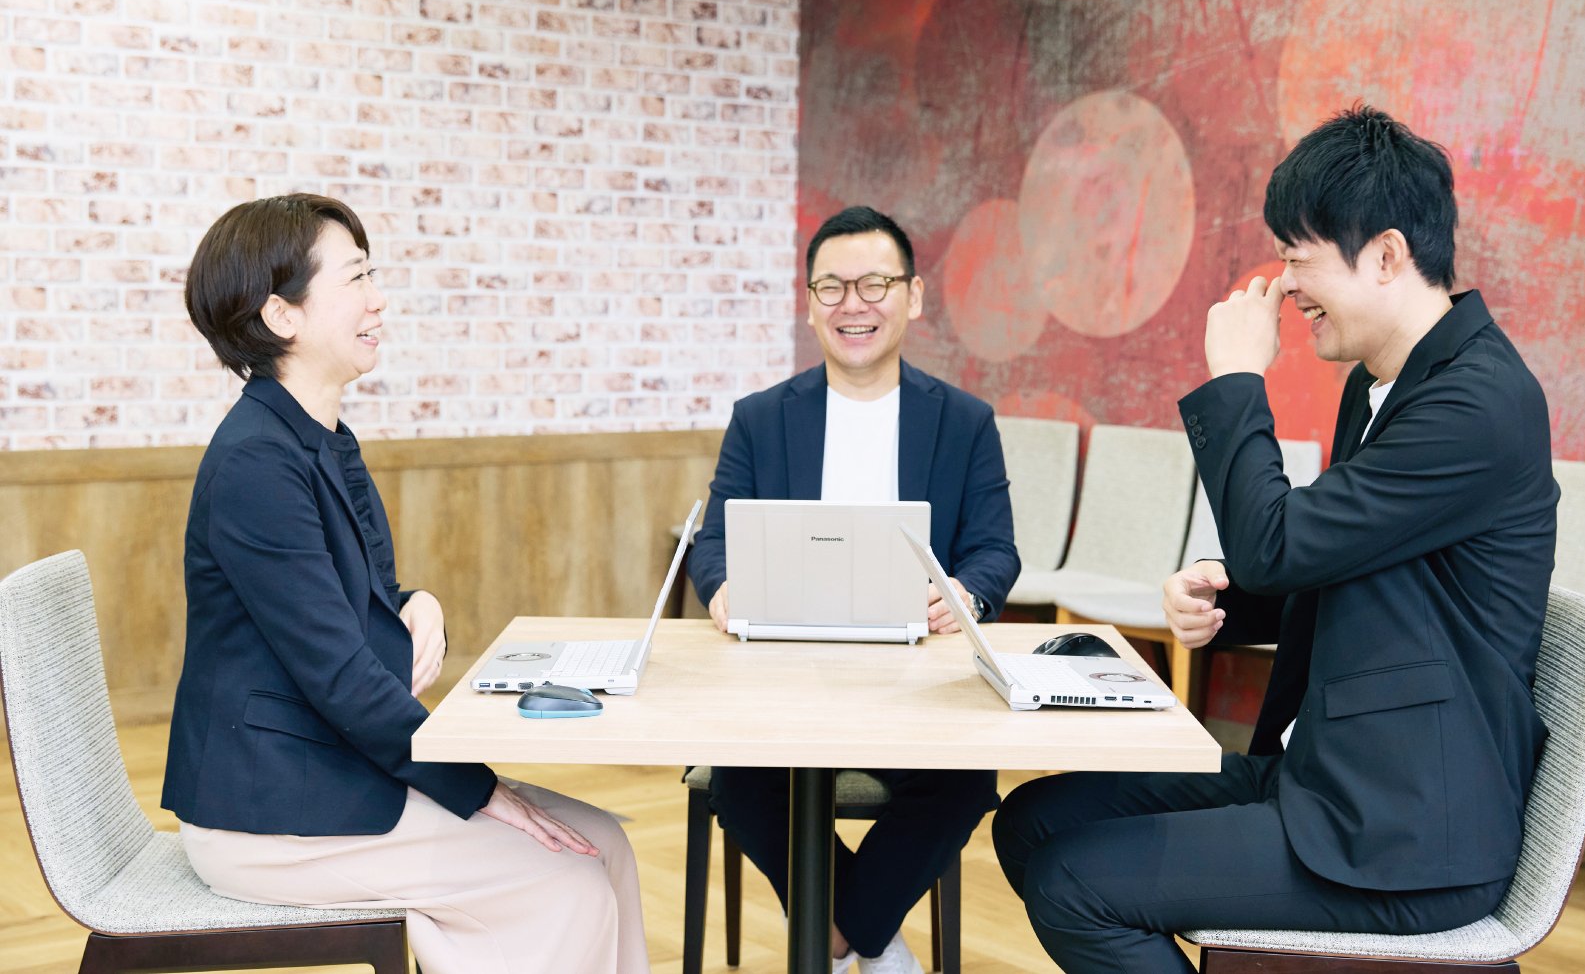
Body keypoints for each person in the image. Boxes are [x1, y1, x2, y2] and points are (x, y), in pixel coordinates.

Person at [991, 106, 1559, 972]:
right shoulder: (1384, 383)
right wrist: (1228, 594)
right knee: (1033, 822)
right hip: (1330, 775)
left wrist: (1236, 378)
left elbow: (1281, 545)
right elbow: (1336, 559)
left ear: (1386, 256)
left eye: (1299, 256)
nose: (1285, 283)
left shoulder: (1478, 402)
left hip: (1408, 832)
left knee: (1074, 882)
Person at [162, 194, 649, 974]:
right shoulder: (257, 461)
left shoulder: (318, 436)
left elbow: (356, 595)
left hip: (327, 768)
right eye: (355, 278)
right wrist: (476, 789)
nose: (379, 298)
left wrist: (418, 603)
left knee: (606, 845)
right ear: (282, 315)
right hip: (271, 810)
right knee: (567, 880)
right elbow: (339, 674)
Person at [688, 205, 1021, 974]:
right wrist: (723, 586)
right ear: (810, 304)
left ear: (913, 296)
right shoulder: (760, 419)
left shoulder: (965, 422)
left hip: (916, 682)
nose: (853, 304)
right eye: (831, 287)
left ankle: (835, 941)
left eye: (875, 283)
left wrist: (965, 594)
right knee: (740, 781)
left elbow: (994, 550)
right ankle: (875, 943)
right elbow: (714, 542)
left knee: (964, 783)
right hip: (782, 679)